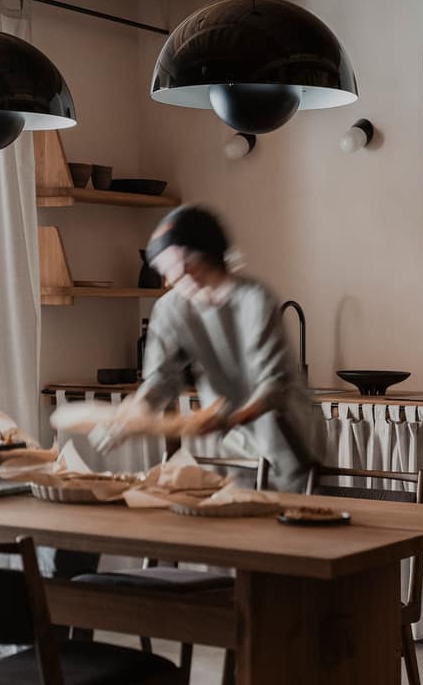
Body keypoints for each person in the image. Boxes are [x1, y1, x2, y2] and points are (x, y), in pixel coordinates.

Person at [109, 204, 319, 492]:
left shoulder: (254, 300)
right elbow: (160, 380)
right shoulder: (172, 309)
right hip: (233, 450)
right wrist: (128, 419)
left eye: (170, 267)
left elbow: (275, 384)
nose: (167, 280)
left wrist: (229, 418)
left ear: (199, 259)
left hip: (288, 446)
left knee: (294, 528)